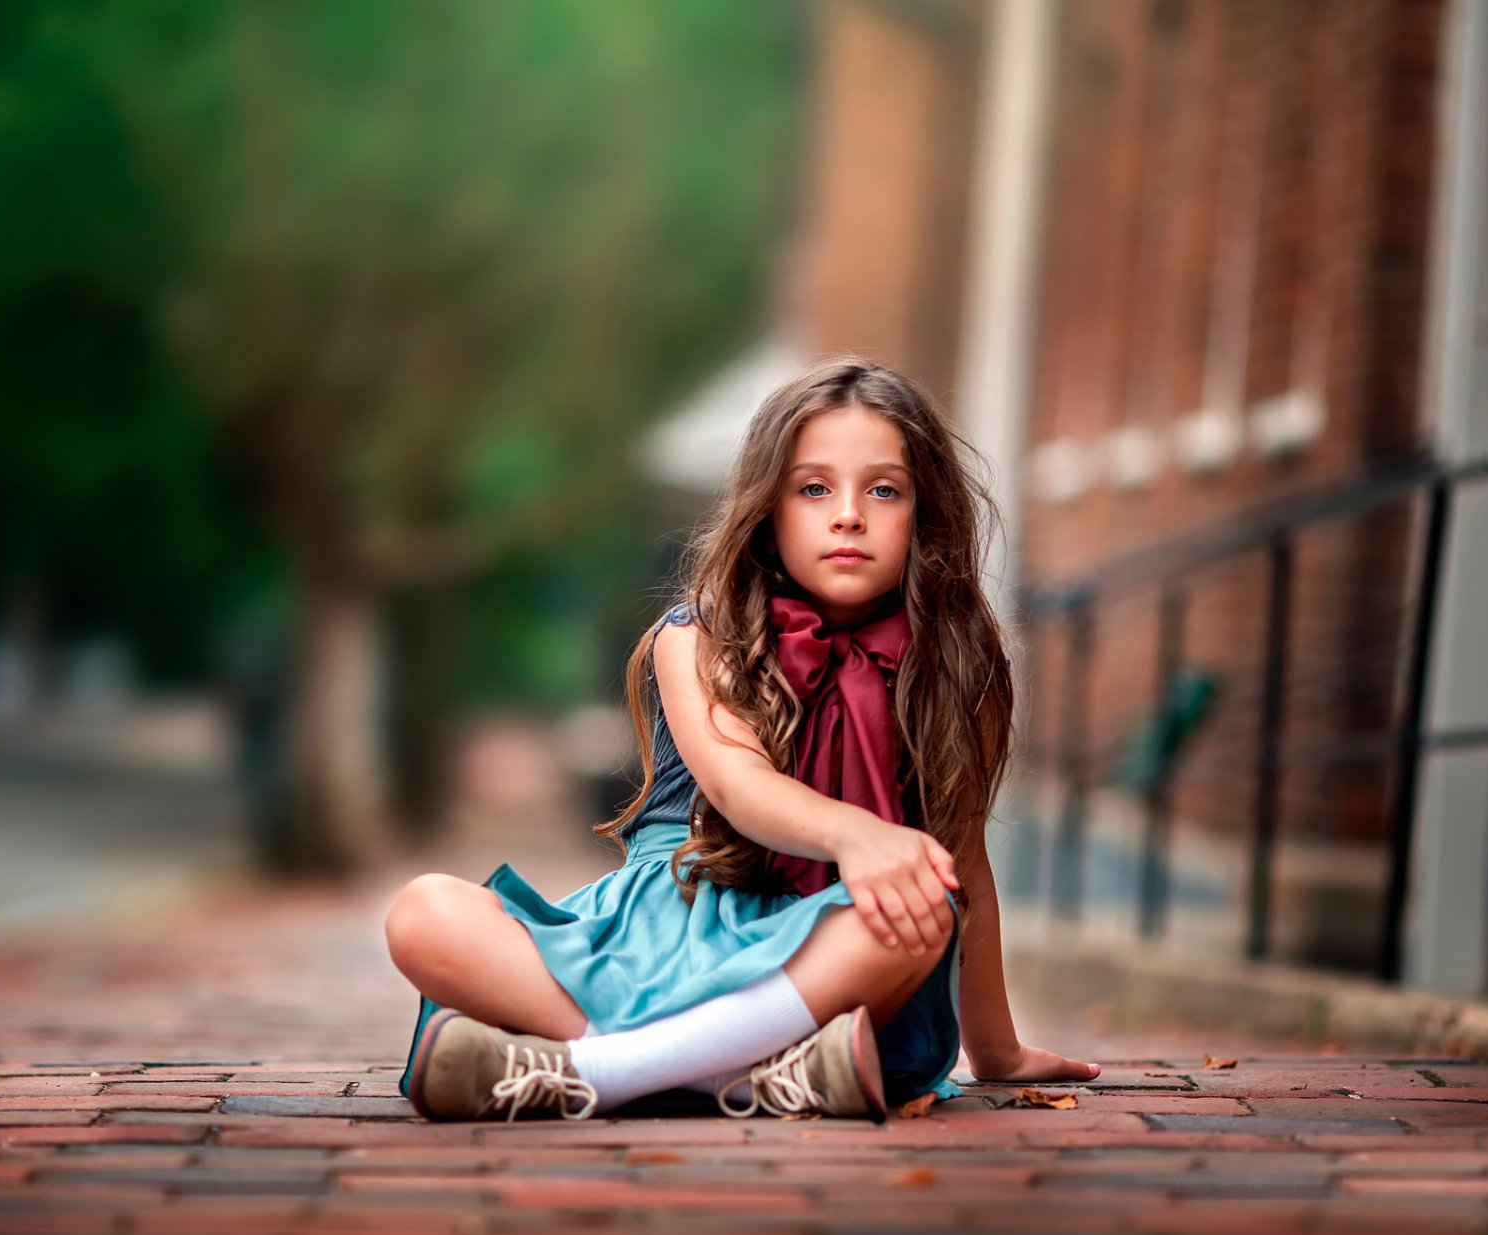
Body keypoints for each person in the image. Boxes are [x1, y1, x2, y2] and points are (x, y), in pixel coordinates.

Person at [386, 356, 1102, 1123]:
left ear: (926, 514)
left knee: (925, 907)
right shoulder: (696, 638)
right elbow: (738, 785)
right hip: (669, 922)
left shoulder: (959, 667)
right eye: (814, 487)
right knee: (423, 913)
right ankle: (746, 1076)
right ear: (769, 508)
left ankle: (585, 1069)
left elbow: (964, 856)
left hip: (828, 954)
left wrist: (996, 1050)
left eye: (884, 489)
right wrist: (857, 834)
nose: (849, 514)